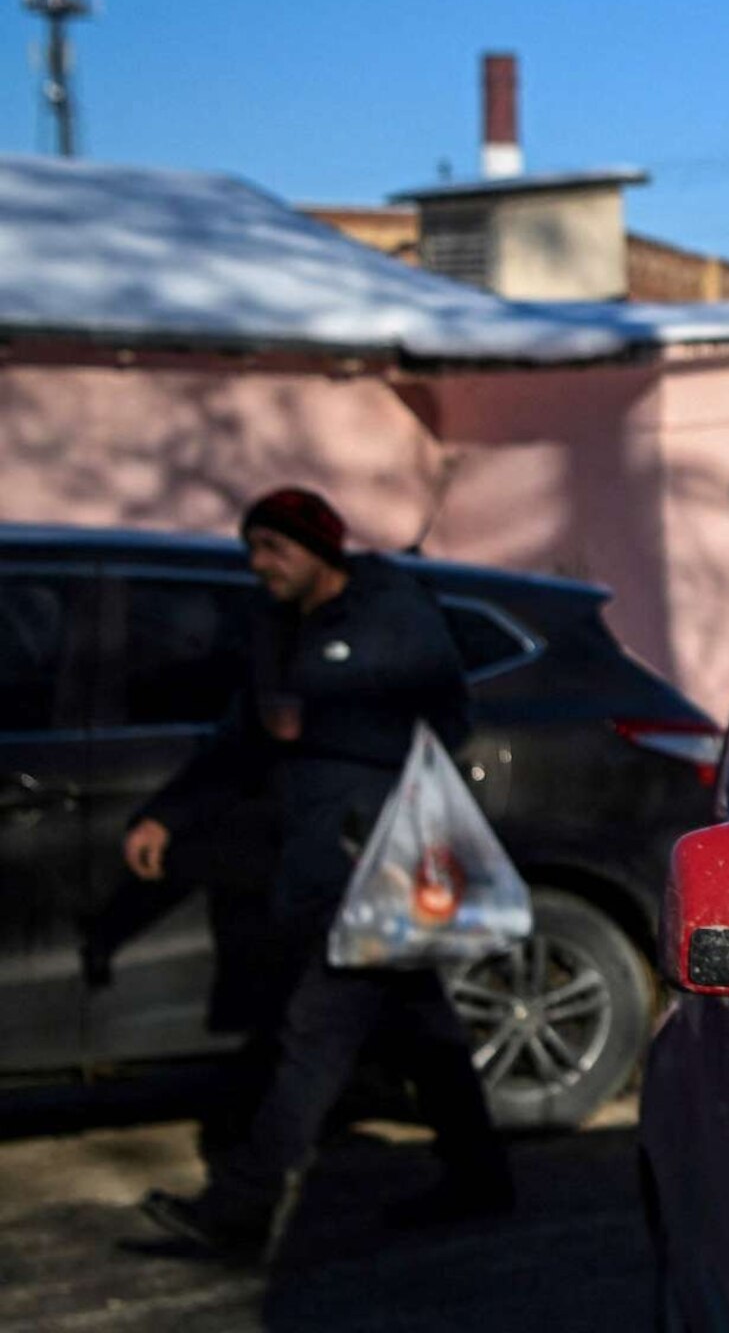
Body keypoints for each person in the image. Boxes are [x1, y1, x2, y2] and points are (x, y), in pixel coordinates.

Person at [125, 488, 510, 1265]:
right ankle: (480, 1174)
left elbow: (447, 715)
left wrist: (322, 722)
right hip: (318, 859)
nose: (260, 566)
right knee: (422, 1023)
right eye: (253, 549)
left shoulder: (390, 611)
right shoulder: (276, 629)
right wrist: (167, 814)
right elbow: (242, 738)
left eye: (275, 549)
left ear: (320, 549)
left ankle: (241, 1206)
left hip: (378, 858)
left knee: (317, 1030)